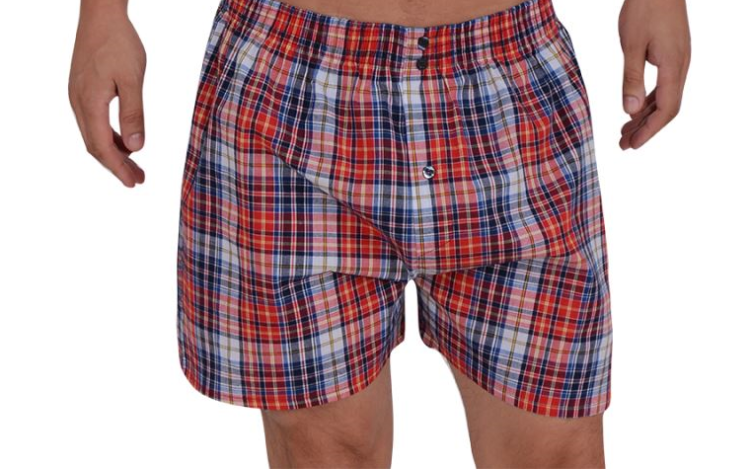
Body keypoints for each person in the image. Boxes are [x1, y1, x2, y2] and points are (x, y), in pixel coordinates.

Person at [68, 0, 691, 466]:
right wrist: (103, 13)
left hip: (510, 79)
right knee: (327, 451)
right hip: (289, 85)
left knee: (553, 452)